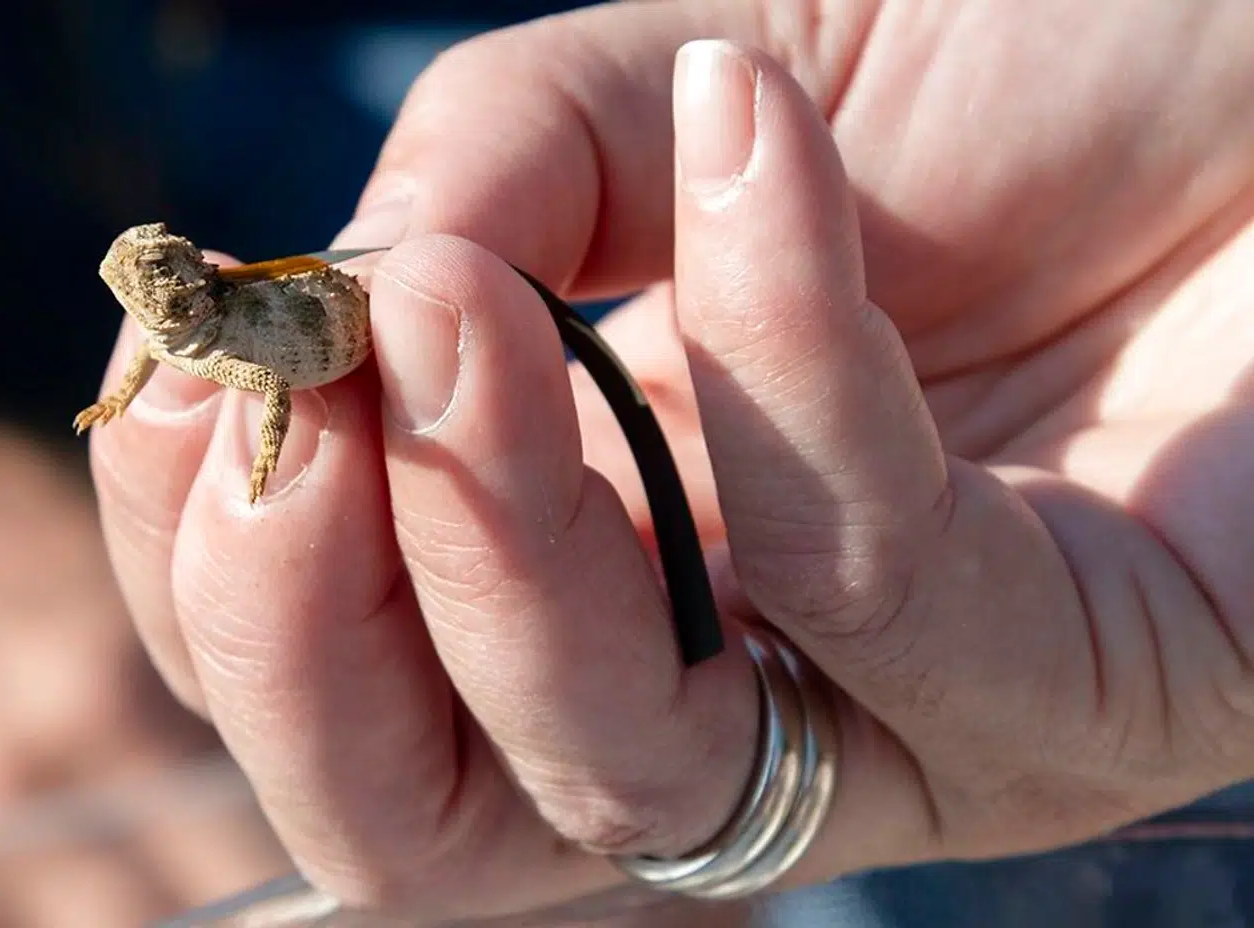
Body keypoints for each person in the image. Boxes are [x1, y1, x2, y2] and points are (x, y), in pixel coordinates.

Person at [86, 0, 1254, 920]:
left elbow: (278, 400)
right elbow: (172, 373)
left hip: (384, 311)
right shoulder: (209, 330)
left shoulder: (245, 320)